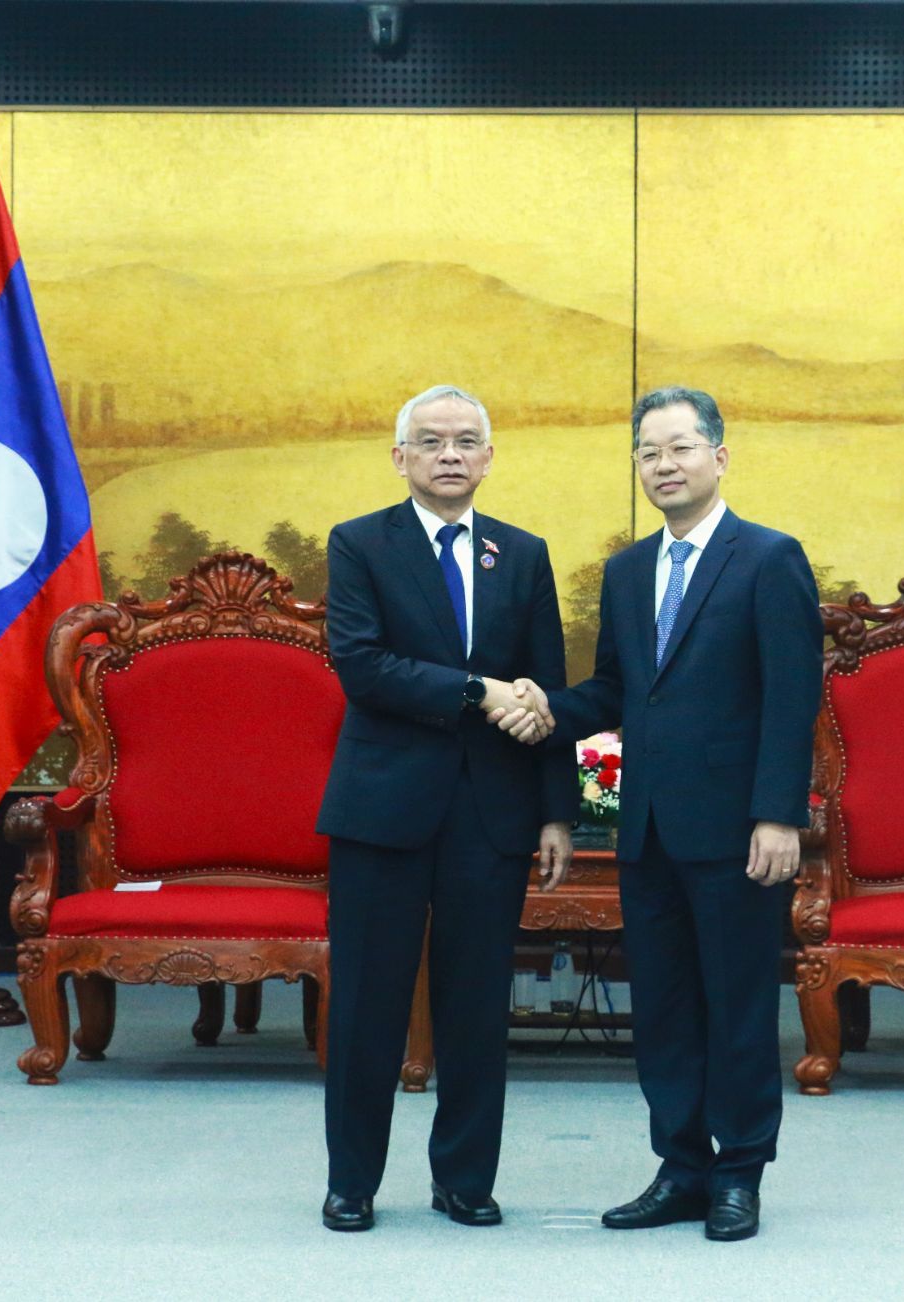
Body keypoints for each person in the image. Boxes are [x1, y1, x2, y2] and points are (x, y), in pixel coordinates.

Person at [493, 386, 822, 1242]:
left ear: (720, 455)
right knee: (667, 1010)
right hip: (645, 829)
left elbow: (793, 698)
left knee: (737, 1003)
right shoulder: (629, 570)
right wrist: (544, 708)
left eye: (680, 448)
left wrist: (778, 815)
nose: (664, 465)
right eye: (648, 452)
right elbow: (615, 688)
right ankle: (680, 1166)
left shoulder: (769, 557)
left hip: (739, 831)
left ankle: (740, 1172)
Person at [315, 385, 575, 1233]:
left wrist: (555, 813)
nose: (451, 455)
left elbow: (545, 697)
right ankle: (352, 1181)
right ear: (401, 458)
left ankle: (464, 1178)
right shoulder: (359, 544)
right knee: (366, 1005)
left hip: (490, 816)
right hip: (382, 811)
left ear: (489, 456)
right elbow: (364, 668)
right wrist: (475, 690)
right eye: (431, 442)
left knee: (474, 1007)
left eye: (467, 441)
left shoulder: (524, 554)